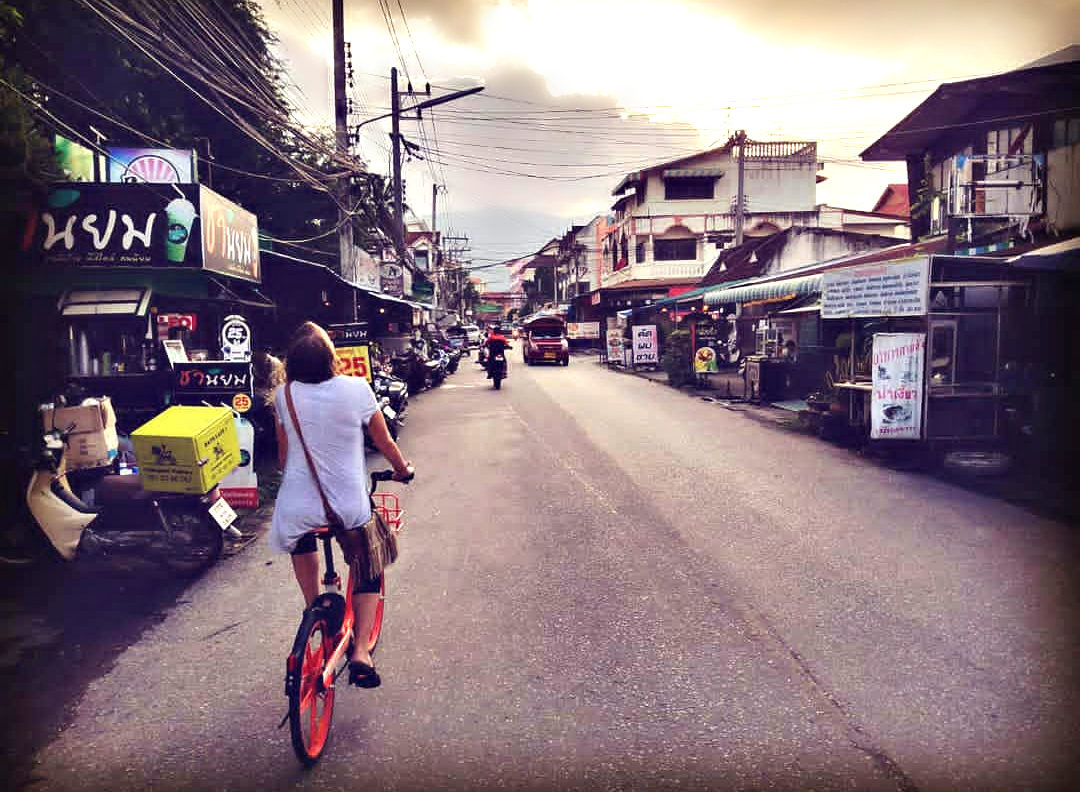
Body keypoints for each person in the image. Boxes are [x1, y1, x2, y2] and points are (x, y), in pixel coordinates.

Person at [270, 322, 414, 688]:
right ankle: (362, 652)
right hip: (348, 505)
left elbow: (285, 459)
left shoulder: (283, 396)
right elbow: (384, 440)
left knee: (302, 537)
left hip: (297, 506)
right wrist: (403, 469)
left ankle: (313, 608)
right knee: (368, 565)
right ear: (331, 359)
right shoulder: (357, 388)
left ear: (292, 363)